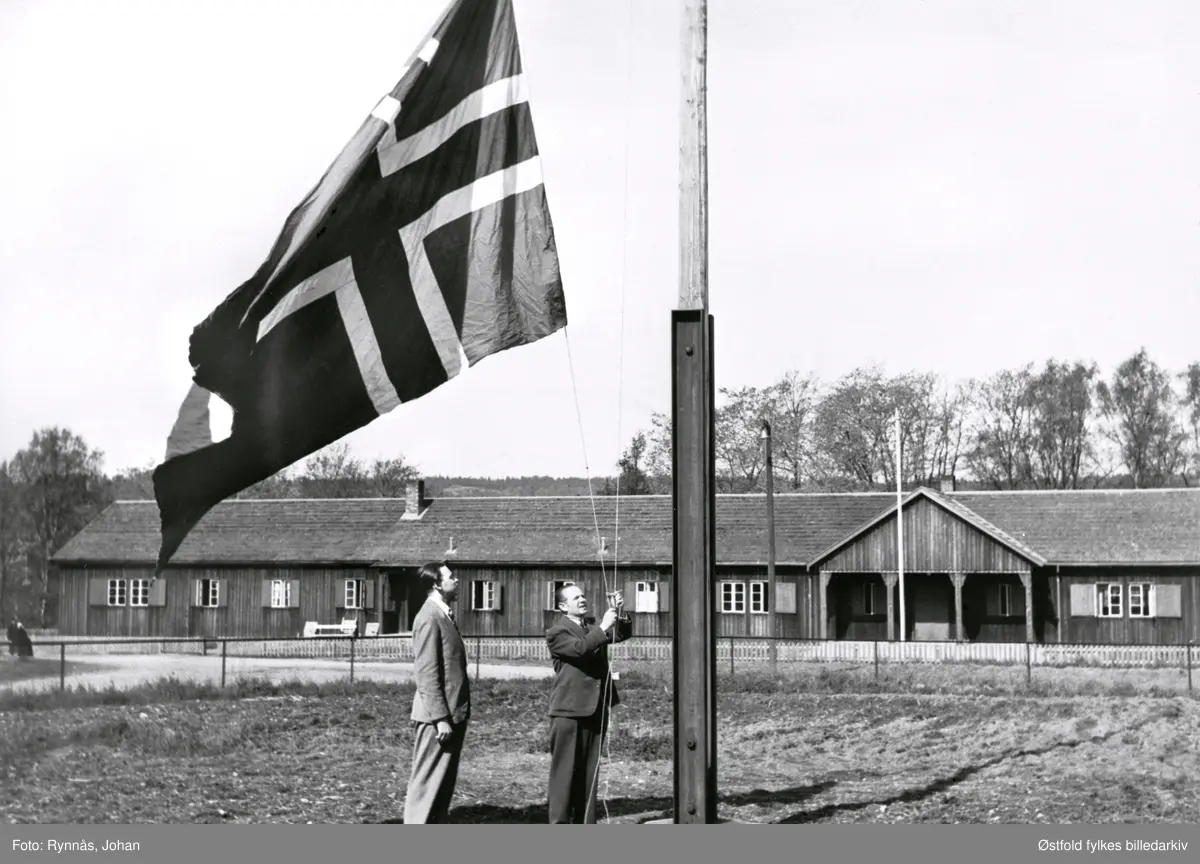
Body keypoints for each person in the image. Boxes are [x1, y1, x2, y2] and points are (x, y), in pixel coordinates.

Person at [544, 584, 633, 824]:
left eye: (583, 595)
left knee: (589, 773)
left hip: (595, 709)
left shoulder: (592, 628)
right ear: (563, 606)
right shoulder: (557, 632)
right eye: (576, 597)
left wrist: (620, 613)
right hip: (568, 712)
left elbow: (621, 634)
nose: (583, 599)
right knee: (564, 775)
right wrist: (604, 626)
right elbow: (581, 649)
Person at [404, 561, 470, 824]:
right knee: (426, 784)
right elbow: (427, 673)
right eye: (450, 577)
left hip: (452, 713)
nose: (456, 580)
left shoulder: (443, 614)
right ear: (436, 584)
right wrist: (440, 718)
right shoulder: (428, 617)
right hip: (437, 718)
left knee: (441, 784)